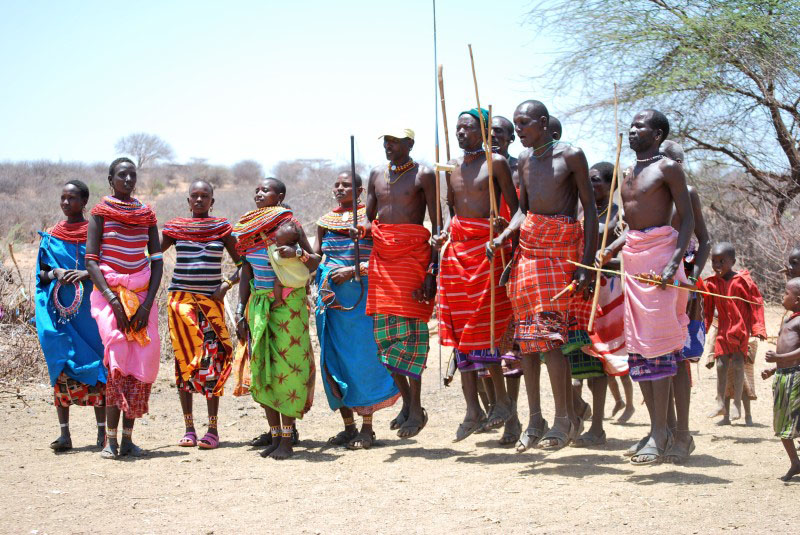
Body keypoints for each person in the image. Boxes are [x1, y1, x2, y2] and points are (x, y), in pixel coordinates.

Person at [489, 100, 597, 451]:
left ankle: (564, 419)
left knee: (550, 336)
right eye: (516, 124)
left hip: (561, 250)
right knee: (527, 339)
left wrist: (587, 261)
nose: (518, 130)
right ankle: (535, 419)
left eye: (524, 124)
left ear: (543, 122)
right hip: (529, 253)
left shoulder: (571, 156)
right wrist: (505, 236)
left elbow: (590, 212)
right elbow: (524, 210)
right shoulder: (523, 160)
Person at [433, 108, 518, 442]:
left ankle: (501, 403)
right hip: (457, 255)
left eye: (467, 127)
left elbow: (517, 210)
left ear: (483, 130)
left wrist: (502, 232)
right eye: (457, 128)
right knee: (458, 332)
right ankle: (473, 410)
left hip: (488, 252)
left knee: (484, 328)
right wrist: (441, 234)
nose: (460, 133)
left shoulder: (496, 163)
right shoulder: (452, 169)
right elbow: (451, 214)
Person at [616, 109, 694, 465]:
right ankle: (656, 430)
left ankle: (668, 432)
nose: (632, 130)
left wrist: (673, 263)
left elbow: (687, 217)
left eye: (640, 126)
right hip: (634, 263)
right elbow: (629, 222)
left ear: (658, 134)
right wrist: (615, 248)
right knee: (640, 351)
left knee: (661, 350)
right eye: (630, 125)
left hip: (661, 262)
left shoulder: (668, 168)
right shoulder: (627, 170)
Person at [234, 177, 321, 460]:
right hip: (258, 303)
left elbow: (315, 260)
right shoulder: (247, 230)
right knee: (262, 370)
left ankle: (287, 439)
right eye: (256, 189)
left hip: (290, 304)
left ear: (280, 195)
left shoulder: (290, 226)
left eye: (266, 190)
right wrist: (240, 309)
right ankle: (274, 435)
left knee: (289, 367)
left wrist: (296, 252)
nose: (259, 193)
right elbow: (246, 270)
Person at [314, 171, 400, 450]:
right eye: (337, 184)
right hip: (331, 303)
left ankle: (367, 428)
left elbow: (383, 257)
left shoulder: (370, 220)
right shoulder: (324, 222)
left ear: (361, 190)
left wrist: (353, 271)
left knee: (363, 360)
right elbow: (316, 257)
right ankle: (348, 426)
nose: (340, 188)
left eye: (347, 185)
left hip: (362, 299)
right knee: (334, 360)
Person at [86, 157, 163, 459]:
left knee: (140, 364)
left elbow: (157, 262)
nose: (128, 180)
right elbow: (91, 261)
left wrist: (145, 305)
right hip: (109, 296)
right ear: (110, 180)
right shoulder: (100, 214)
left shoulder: (146, 214)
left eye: (132, 175)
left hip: (143, 295)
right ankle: (110, 441)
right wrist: (114, 300)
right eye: (122, 176)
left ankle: (129, 440)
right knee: (117, 364)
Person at [365, 127, 438, 439]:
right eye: (386, 141)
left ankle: (416, 404)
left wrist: (432, 270)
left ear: (410, 144)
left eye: (396, 142)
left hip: (413, 257)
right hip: (383, 258)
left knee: (411, 336)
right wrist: (363, 228)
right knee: (384, 339)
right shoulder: (376, 174)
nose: (389, 146)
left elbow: (437, 223)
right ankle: (410, 405)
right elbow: (368, 216)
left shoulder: (425, 174)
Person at [161, 180, 240, 450]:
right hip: (181, 305)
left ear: (212, 201)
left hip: (211, 305)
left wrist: (227, 284)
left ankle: (213, 429)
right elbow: (152, 252)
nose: (199, 200)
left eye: (204, 196)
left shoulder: (221, 229)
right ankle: (189, 428)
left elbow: (244, 264)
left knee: (211, 364)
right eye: (194, 196)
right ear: (187, 200)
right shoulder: (176, 229)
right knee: (185, 364)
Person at [35, 180, 107, 452]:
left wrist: (87, 274)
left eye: (72, 198)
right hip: (60, 312)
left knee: (96, 364)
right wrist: (55, 273)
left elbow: (108, 264)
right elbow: (41, 274)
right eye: (63, 198)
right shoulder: (51, 236)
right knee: (60, 363)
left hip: (90, 311)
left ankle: (102, 434)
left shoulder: (95, 231)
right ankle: (64, 434)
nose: (66, 203)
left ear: (84, 201)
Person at [659, 140, 712, 462]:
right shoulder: (645, 194)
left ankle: (682, 434)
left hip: (679, 286)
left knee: (676, 356)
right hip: (647, 283)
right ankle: (661, 430)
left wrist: (691, 282)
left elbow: (704, 240)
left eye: (671, 162)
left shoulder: (686, 194)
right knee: (650, 356)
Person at [570, 162, 624, 447]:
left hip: (604, 293)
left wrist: (601, 260)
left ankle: (598, 425)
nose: (591, 186)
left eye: (597, 181)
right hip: (577, 289)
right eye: (587, 180)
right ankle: (577, 411)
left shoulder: (618, 216)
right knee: (571, 354)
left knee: (598, 360)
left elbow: (625, 257)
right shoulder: (578, 208)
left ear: (611, 185)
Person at [704, 242, 766, 426]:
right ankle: (720, 402)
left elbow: (756, 304)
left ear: (733, 261)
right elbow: (706, 309)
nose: (717, 265)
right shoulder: (712, 284)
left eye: (722, 261)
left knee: (739, 363)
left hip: (739, 330)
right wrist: (703, 330)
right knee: (721, 365)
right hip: (722, 330)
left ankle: (738, 402)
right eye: (714, 261)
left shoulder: (742, 282)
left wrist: (758, 328)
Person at [762, 278, 800, 481]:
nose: (782, 296)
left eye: (786, 293)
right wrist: (774, 369)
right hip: (783, 377)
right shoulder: (788, 321)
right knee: (782, 423)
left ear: (798, 300)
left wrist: (779, 358)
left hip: (797, 377)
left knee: (797, 420)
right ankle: (795, 463)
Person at [269, 220, 310, 309]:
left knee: (277, 282)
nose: (276, 243)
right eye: (276, 240)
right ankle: (307, 288)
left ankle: (278, 300)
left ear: (289, 244)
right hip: (305, 278)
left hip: (294, 281)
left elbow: (279, 261)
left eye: (278, 243)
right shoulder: (298, 248)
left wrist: (271, 249)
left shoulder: (285, 253)